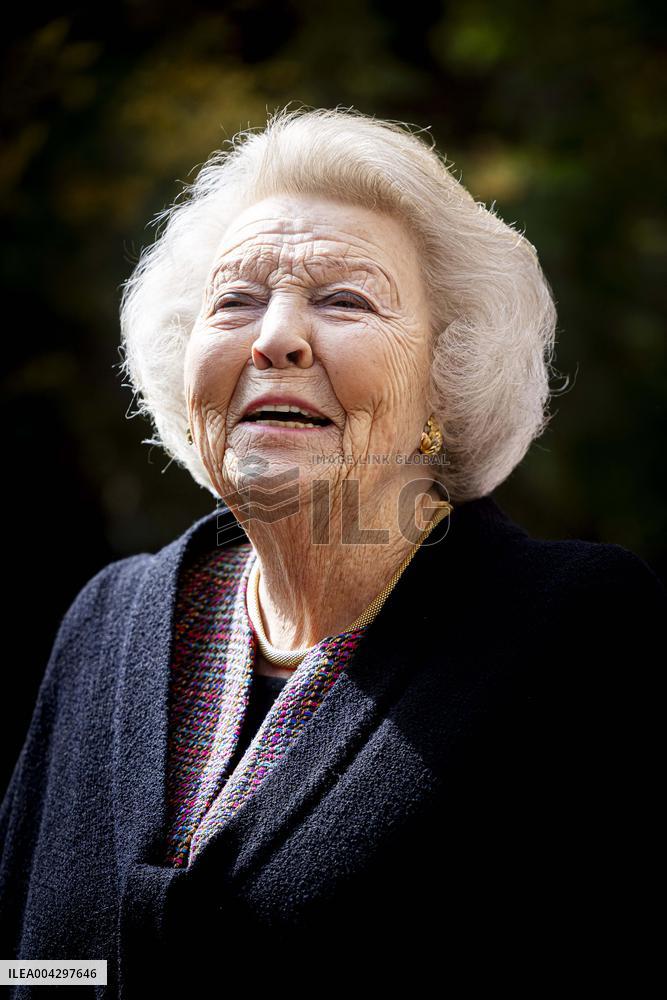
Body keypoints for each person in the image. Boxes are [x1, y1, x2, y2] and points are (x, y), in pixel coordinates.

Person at [1, 106, 663, 996]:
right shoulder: (104, 622)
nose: (274, 336)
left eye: (342, 299)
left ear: (445, 378)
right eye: (234, 300)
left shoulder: (573, 631)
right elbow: (28, 964)